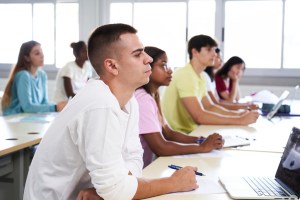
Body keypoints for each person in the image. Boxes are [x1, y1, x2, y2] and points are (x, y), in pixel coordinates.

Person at [23, 24, 199, 200]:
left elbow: (134, 156)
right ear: (112, 66)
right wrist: (174, 183)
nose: (148, 59)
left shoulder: (130, 101)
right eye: (138, 54)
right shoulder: (100, 104)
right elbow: (115, 190)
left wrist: (115, 188)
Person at [135, 46, 224, 168]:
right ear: (147, 67)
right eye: (163, 65)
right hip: (138, 172)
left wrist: (201, 140)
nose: (170, 70)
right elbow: (161, 147)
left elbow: (168, 133)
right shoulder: (142, 99)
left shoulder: (153, 95)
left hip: (144, 168)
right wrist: (202, 147)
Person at [162, 35, 259, 133]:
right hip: (179, 134)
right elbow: (199, 116)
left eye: (214, 50)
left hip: (192, 130)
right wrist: (239, 120)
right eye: (209, 50)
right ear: (194, 52)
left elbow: (210, 107)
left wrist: (238, 115)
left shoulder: (201, 76)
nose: (214, 54)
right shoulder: (186, 74)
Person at [1, 40, 67, 116]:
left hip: (30, 116)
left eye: (42, 52)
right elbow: (27, 107)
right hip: (14, 117)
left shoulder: (42, 75)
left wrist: (59, 106)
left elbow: (44, 102)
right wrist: (55, 107)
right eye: (37, 53)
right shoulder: (23, 75)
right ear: (27, 58)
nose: (42, 55)